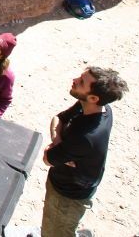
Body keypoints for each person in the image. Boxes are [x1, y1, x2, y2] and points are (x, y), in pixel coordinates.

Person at [41, 67, 128, 237]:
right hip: (68, 182)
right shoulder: (95, 107)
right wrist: (58, 141)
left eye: (81, 82)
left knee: (55, 232)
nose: (74, 79)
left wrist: (58, 146)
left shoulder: (85, 137)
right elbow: (59, 118)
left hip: (67, 196)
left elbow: (47, 159)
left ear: (94, 97)